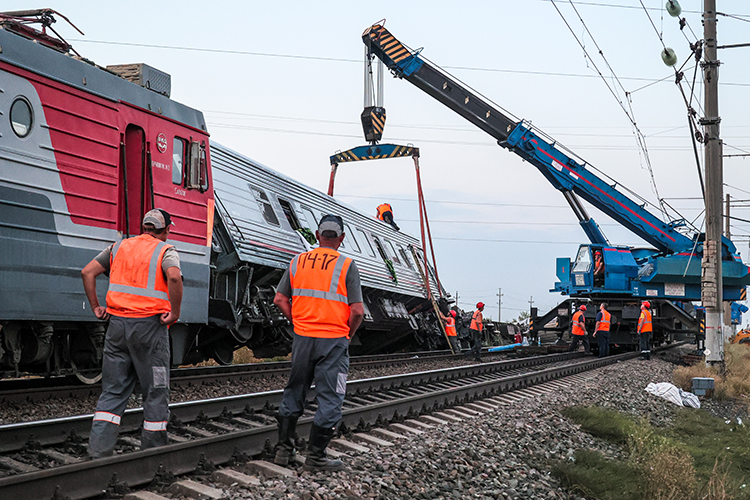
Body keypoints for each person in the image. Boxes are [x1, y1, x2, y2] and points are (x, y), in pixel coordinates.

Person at [81, 209, 183, 458]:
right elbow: (174, 277)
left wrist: (96, 306)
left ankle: (98, 451)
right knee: (155, 390)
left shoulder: (118, 248)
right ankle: (153, 451)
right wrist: (175, 312)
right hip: (149, 330)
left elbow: (87, 272)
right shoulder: (165, 251)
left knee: (113, 391)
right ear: (166, 230)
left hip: (116, 327)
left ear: (145, 226)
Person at [272, 214, 364, 472]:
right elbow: (357, 310)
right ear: (342, 238)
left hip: (303, 338)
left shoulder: (297, 262)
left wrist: (298, 321)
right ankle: (316, 457)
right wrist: (348, 333)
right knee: (331, 397)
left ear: (316, 235)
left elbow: (280, 299)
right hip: (333, 341)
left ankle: (283, 451)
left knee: (294, 392)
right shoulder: (347, 265)